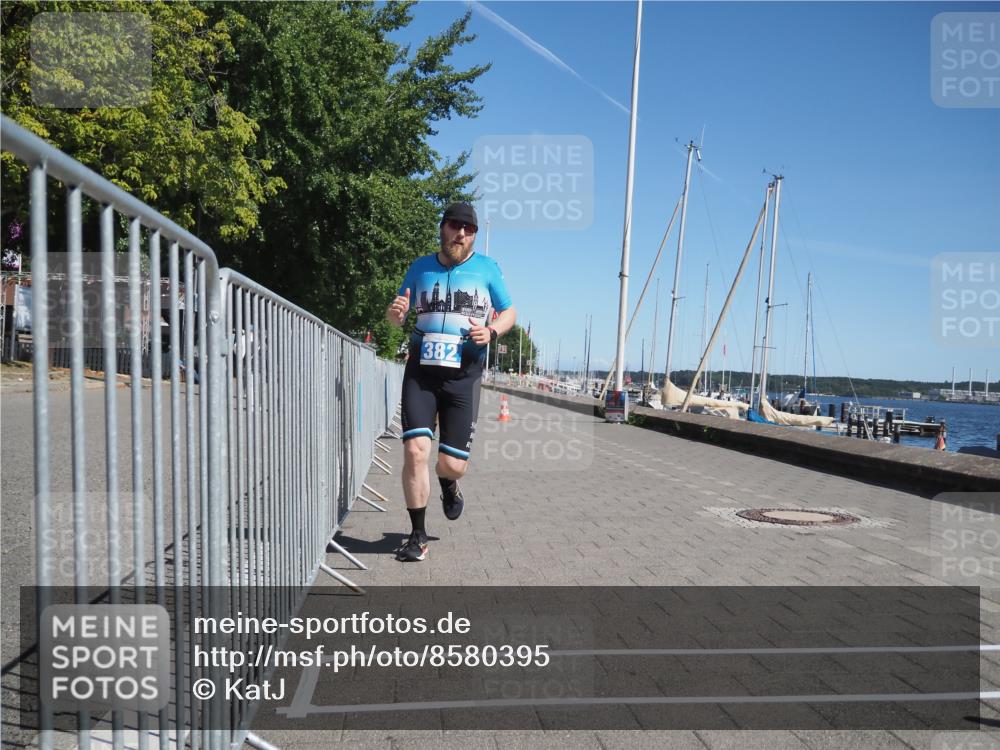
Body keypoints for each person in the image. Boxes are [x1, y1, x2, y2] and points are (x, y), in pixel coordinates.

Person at [385, 202, 516, 561]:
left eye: (469, 229)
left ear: (474, 235)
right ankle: (417, 535)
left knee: (453, 464)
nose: (461, 233)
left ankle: (448, 483)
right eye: (455, 226)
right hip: (422, 373)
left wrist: (491, 330)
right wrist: (394, 315)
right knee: (414, 451)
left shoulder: (487, 269)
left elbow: (509, 312)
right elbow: (397, 315)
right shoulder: (420, 267)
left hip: (464, 376)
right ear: (442, 228)